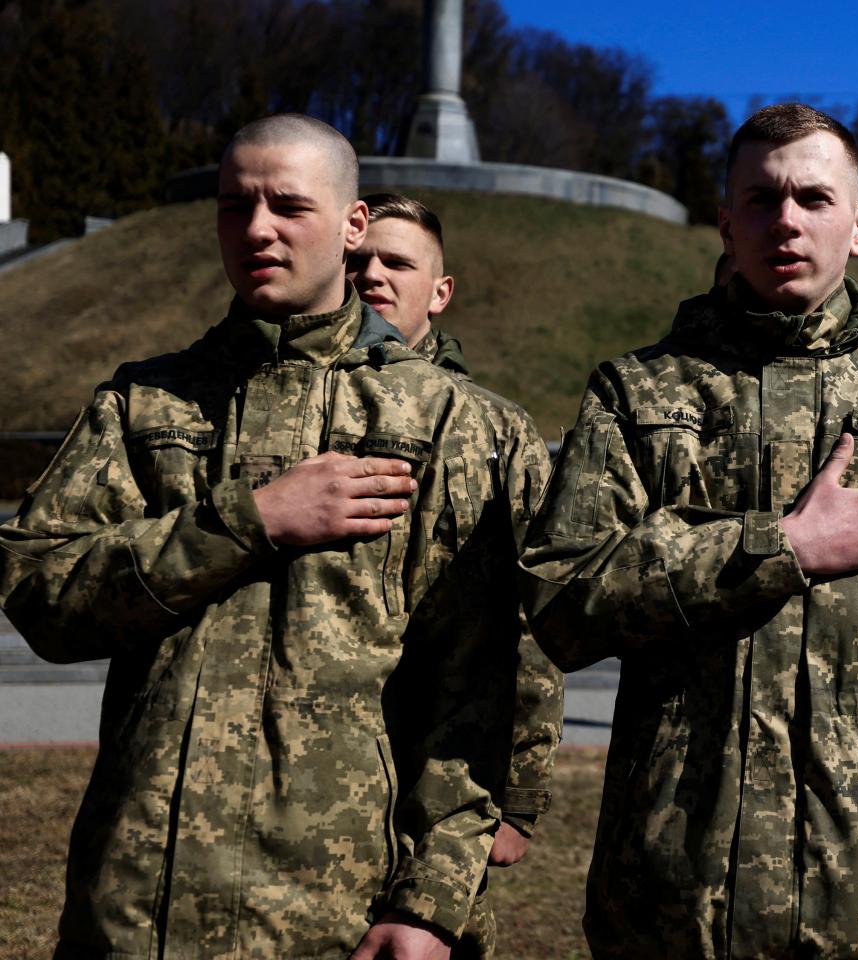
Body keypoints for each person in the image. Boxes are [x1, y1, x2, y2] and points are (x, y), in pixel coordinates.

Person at [520, 103, 858, 959]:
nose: (788, 221)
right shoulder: (640, 395)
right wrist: (783, 548)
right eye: (762, 200)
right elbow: (561, 599)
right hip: (670, 904)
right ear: (726, 223)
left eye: (814, 197)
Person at [0, 114, 517, 959]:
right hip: (135, 911)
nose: (256, 228)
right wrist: (250, 521)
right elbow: (40, 593)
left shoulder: (449, 422)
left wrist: (429, 905)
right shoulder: (143, 405)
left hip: (337, 916)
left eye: (287, 204)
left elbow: (479, 688)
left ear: (353, 226)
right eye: (235, 205)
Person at [350, 191, 565, 959]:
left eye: (397, 262)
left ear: (440, 293)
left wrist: (521, 798)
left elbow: (532, 630)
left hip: (441, 782)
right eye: (358, 259)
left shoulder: (496, 430)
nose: (372, 274)